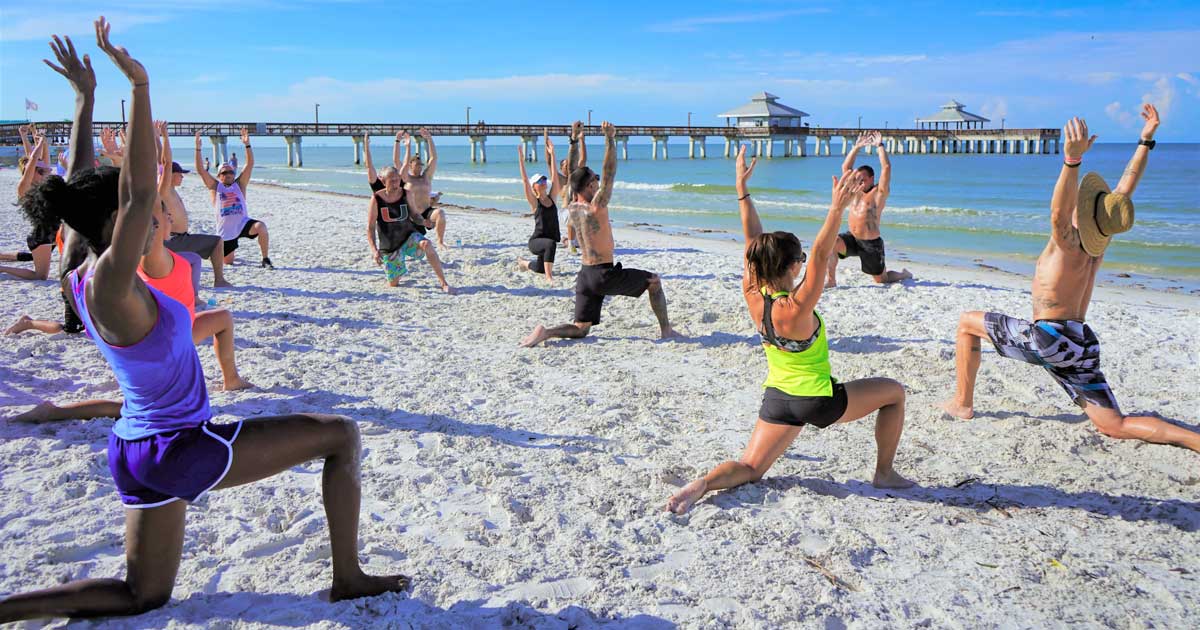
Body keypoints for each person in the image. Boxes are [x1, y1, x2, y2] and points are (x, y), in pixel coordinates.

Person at [0, 21, 406, 623]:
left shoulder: (77, 264)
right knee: (340, 435)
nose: (157, 210)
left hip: (136, 446)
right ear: (118, 220)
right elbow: (136, 194)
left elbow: (85, 185)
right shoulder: (112, 279)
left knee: (143, 596)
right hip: (179, 444)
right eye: (144, 209)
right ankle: (347, 578)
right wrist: (138, 86)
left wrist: (85, 99)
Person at [665, 146, 914, 515]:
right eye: (798, 259)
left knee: (751, 468)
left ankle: (704, 483)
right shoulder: (797, 306)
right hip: (819, 401)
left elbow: (754, 241)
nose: (803, 262)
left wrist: (742, 189)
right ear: (792, 267)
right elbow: (820, 255)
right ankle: (884, 473)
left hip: (778, 399)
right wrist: (834, 210)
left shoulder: (753, 293)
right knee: (894, 393)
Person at [939, 108, 1200, 453]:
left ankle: (962, 402)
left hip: (1048, 338)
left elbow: (1057, 213)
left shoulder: (1069, 241)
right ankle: (1193, 440)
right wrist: (1145, 138)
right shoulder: (1099, 242)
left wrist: (1071, 160)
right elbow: (1124, 191)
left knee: (966, 323)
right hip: (1082, 344)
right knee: (1114, 425)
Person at [519, 122, 678, 347]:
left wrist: (574, 140)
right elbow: (610, 171)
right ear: (591, 186)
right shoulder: (597, 207)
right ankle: (667, 331)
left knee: (581, 328)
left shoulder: (571, 206)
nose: (599, 182)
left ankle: (546, 332)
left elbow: (574, 172)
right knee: (654, 281)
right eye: (595, 180)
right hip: (604, 274)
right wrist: (610, 139)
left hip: (585, 276)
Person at [825, 130, 912, 287]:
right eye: (857, 179)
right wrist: (856, 147)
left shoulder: (879, 193)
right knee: (832, 242)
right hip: (852, 238)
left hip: (871, 244)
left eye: (863, 179)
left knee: (881, 280)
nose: (859, 182)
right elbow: (846, 167)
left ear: (872, 178)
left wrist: (879, 146)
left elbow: (886, 167)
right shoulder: (855, 190)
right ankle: (831, 280)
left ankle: (904, 274)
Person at [193, 128, 272, 268]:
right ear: (219, 176)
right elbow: (200, 170)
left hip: (243, 224)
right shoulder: (215, 187)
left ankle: (265, 259)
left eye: (231, 171)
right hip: (226, 232)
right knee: (228, 262)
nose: (229, 174)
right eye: (225, 172)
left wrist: (247, 145)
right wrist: (198, 149)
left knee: (261, 227)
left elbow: (250, 165)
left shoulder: (239, 185)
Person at [366, 166, 452, 292]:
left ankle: (444, 283)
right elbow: (370, 226)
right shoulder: (376, 199)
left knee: (426, 244)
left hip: (408, 237)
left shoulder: (407, 194)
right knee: (394, 283)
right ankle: (397, 269)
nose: (396, 184)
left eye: (397, 180)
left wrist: (424, 222)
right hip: (390, 245)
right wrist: (374, 250)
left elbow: (415, 215)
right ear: (383, 181)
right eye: (392, 181)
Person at [1, 136, 55, 281]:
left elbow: (43, 162)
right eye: (41, 171)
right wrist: (36, 145)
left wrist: (44, 144)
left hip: (53, 232)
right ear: (32, 173)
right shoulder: (24, 189)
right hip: (42, 235)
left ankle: (2, 256)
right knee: (40, 276)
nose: (46, 173)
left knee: (32, 258)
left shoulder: (43, 185)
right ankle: (2, 268)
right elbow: (32, 163)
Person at [516, 137, 562, 282]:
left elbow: (555, 178)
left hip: (547, 240)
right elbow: (524, 180)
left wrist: (552, 154)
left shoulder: (552, 198)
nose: (543, 182)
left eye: (544, 180)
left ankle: (523, 263)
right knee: (550, 244)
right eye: (540, 181)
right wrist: (521, 161)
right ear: (534, 186)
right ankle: (549, 277)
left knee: (540, 268)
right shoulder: (535, 202)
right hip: (536, 242)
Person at [398, 128, 448, 248]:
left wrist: (429, 139)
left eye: (421, 165)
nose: (420, 167)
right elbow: (397, 162)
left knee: (440, 212)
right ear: (410, 165)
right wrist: (400, 142)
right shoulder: (407, 178)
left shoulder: (426, 176)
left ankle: (440, 241)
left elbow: (433, 158)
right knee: (412, 242)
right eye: (417, 165)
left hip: (426, 212)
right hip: (412, 214)